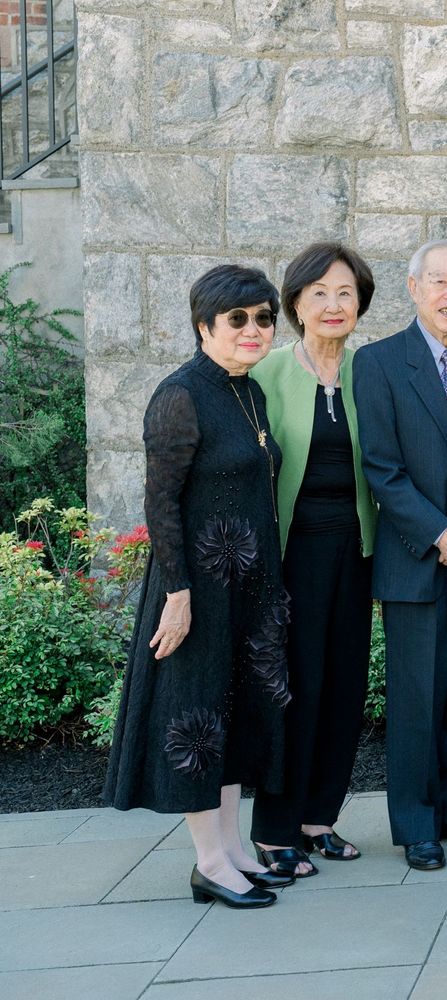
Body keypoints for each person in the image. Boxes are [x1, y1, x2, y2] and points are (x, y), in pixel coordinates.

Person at [102, 265, 292, 908]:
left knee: (237, 714)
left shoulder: (250, 391)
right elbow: (161, 503)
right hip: (198, 590)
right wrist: (177, 594)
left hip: (249, 588)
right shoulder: (179, 395)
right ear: (204, 325)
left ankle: (233, 850)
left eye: (264, 318)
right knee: (201, 715)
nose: (253, 329)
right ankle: (209, 863)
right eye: (237, 318)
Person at [353, 240, 447, 872]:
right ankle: (417, 825)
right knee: (417, 700)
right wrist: (443, 535)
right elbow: (382, 470)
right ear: (414, 289)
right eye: (439, 282)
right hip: (417, 562)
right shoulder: (379, 363)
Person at [248, 243, 378, 878]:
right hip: (290, 556)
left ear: (360, 305)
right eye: (319, 293)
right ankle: (275, 829)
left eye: (345, 293)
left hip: (356, 553)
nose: (333, 304)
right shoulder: (266, 372)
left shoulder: (369, 373)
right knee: (293, 689)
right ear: (296, 302)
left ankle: (318, 818)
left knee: (344, 686)